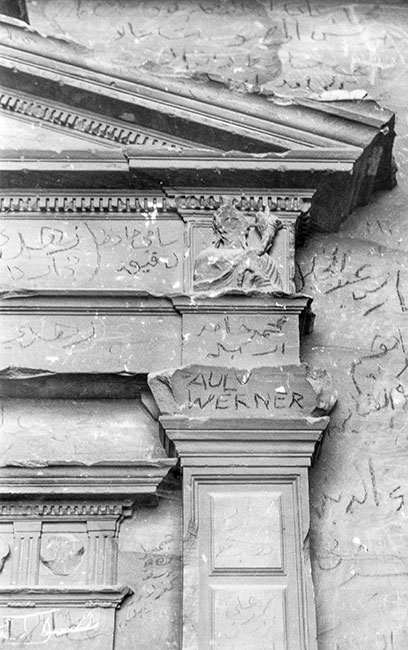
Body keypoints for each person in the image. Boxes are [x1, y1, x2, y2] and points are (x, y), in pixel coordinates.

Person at [193, 202, 284, 292]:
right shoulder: (206, 257)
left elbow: (274, 293)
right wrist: (269, 230)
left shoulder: (262, 259)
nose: (232, 225)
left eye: (235, 221)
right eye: (227, 221)